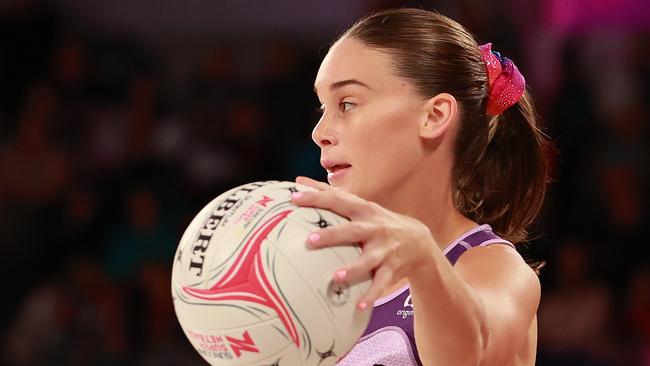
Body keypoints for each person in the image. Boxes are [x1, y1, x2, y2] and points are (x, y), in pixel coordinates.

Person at [290, 8, 552, 366]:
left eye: (347, 103)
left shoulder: (494, 267)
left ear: (434, 115)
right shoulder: (325, 280)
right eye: (322, 107)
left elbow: (467, 356)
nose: (320, 133)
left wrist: (424, 260)